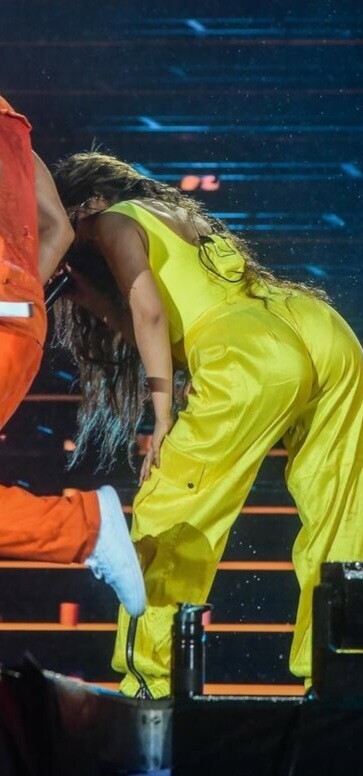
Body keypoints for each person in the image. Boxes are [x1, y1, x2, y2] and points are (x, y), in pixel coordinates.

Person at [53, 151, 363, 698]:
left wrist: (162, 418)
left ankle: (148, 683)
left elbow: (152, 314)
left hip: (251, 354)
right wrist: (94, 300)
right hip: (318, 330)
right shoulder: (175, 215)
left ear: (85, 203)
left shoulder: (109, 221)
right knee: (341, 516)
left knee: (168, 511)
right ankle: (342, 672)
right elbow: (168, 327)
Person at [0, 96, 145, 618]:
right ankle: (86, 527)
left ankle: (87, 527)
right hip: (19, 320)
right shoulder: (11, 128)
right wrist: (20, 300)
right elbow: (58, 228)